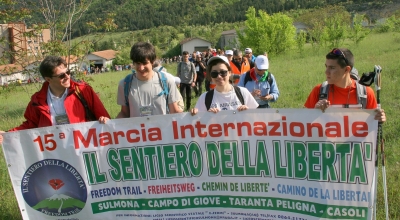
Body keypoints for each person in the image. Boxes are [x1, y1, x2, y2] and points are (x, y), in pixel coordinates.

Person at [0, 56, 110, 144]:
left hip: (83, 146)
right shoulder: (37, 100)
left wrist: (104, 120)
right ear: (48, 79)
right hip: (54, 152)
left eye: (68, 72)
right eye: (62, 75)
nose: (67, 77)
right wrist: (7, 134)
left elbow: (104, 118)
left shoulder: (83, 90)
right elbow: (30, 125)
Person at [304, 48, 386, 122]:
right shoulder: (319, 91)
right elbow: (303, 123)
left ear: (347, 69)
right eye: (326, 67)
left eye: (332, 68)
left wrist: (379, 119)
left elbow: (372, 125)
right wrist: (315, 112)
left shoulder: (366, 93)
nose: (326, 72)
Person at [116, 42, 183, 118]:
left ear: (152, 62)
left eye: (145, 63)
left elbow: (174, 111)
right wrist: (107, 125)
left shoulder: (167, 81)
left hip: (162, 129)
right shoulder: (124, 84)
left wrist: (191, 117)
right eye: (138, 63)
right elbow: (124, 113)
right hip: (137, 130)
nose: (141, 68)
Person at [190, 56, 258, 115]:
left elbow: (257, 120)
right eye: (214, 73)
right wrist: (199, 116)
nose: (219, 76)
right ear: (210, 76)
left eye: (223, 72)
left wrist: (248, 112)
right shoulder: (205, 98)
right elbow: (197, 125)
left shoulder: (243, 92)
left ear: (229, 73)